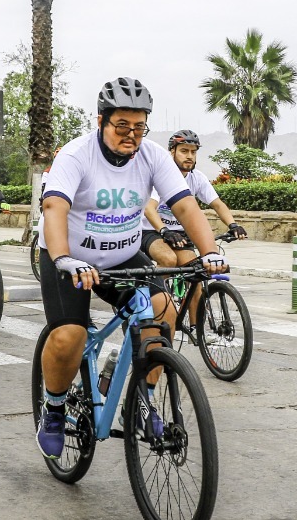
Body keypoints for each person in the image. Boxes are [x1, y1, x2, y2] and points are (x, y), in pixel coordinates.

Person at [34, 78, 227, 458]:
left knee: (163, 312)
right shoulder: (76, 156)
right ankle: (54, 409)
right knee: (69, 335)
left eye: (139, 126)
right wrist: (64, 258)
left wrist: (209, 253)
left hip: (122, 254)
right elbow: (54, 207)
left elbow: (186, 206)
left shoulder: (152, 156)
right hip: (70, 256)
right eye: (122, 125)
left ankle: (143, 399)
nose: (131, 135)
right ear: (101, 121)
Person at [142, 129, 248, 331]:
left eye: (193, 152)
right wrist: (164, 231)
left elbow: (217, 204)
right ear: (171, 151)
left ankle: (196, 327)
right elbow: (149, 209)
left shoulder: (197, 178)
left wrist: (233, 224)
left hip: (179, 235)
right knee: (168, 260)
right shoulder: (161, 175)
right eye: (184, 151)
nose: (189, 156)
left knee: (197, 272)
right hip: (153, 231)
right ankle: (157, 305)